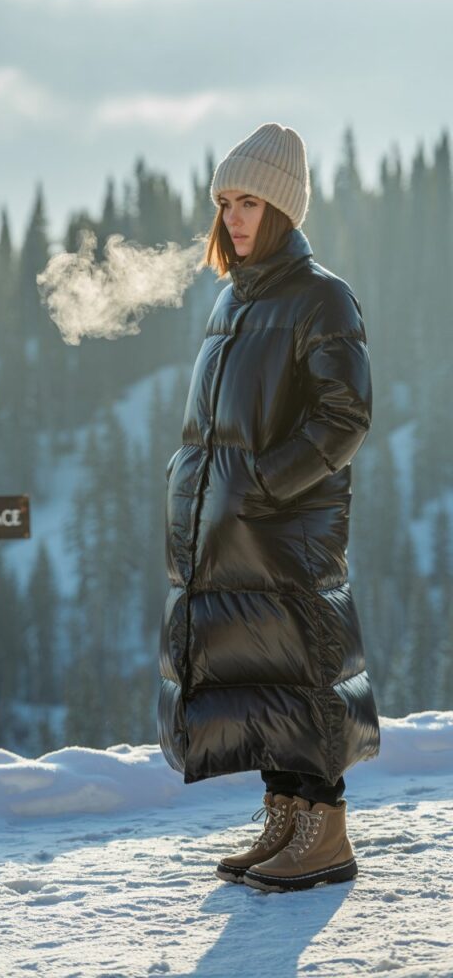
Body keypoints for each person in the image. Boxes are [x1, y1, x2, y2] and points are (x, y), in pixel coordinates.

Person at [156, 121, 380, 893]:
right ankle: (286, 817)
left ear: (282, 209)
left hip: (289, 529)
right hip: (236, 533)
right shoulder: (234, 301)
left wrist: (262, 486)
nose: (233, 218)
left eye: (248, 202)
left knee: (306, 673)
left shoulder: (323, 298)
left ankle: (326, 829)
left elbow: (345, 415)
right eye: (224, 203)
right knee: (265, 677)